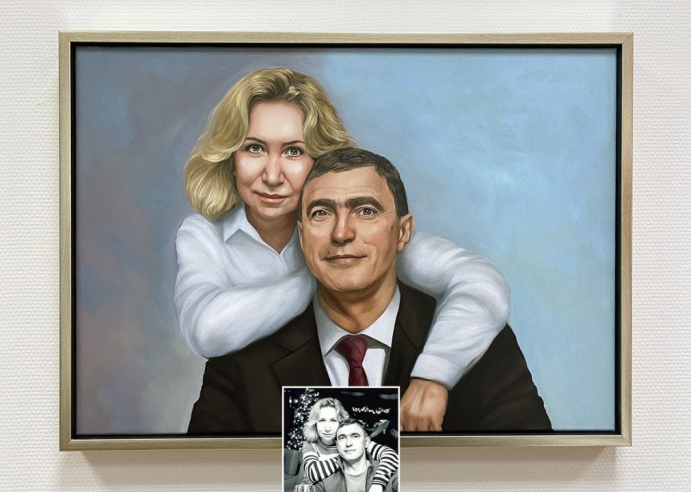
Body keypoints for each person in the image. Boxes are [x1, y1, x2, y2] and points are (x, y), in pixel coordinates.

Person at [176, 67, 510, 431]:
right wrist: (325, 273)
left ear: (320, 161)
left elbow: (481, 283)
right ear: (230, 157)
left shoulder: (373, 238)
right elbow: (207, 331)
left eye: (293, 151)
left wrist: (435, 374)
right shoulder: (204, 235)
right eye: (254, 148)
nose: (271, 176)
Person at [188, 148, 551, 433]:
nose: (341, 233)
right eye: (321, 213)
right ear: (301, 234)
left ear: (403, 232)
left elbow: (527, 475)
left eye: (365, 211)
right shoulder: (241, 365)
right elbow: (210, 484)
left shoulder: (480, 346)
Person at [294, 398, 398, 492]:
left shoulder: (354, 442)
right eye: (322, 420)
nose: (327, 428)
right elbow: (312, 472)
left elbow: (391, 455)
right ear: (315, 423)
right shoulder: (310, 444)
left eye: (333, 420)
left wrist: (378, 483)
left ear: (341, 422)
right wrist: (348, 458)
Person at [312, 418, 398, 492]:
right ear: (337, 445)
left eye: (355, 436)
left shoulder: (392, 476)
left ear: (366, 442)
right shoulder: (323, 482)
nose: (348, 443)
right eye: (342, 438)